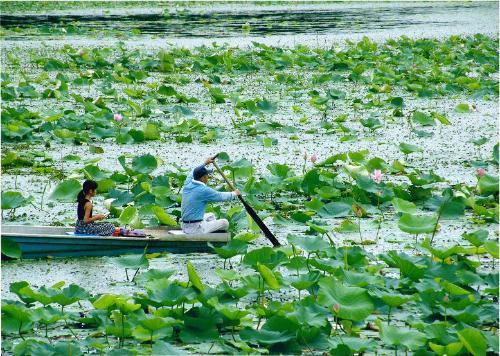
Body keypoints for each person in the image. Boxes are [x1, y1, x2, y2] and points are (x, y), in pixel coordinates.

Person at [181, 156, 240, 234]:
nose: (207, 178)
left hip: (184, 225)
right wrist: (234, 193)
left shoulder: (188, 183)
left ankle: (208, 227)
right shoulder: (203, 190)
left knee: (211, 215)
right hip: (195, 229)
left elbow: (192, 172)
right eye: (207, 176)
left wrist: (205, 163)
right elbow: (220, 196)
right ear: (203, 177)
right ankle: (206, 232)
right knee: (225, 223)